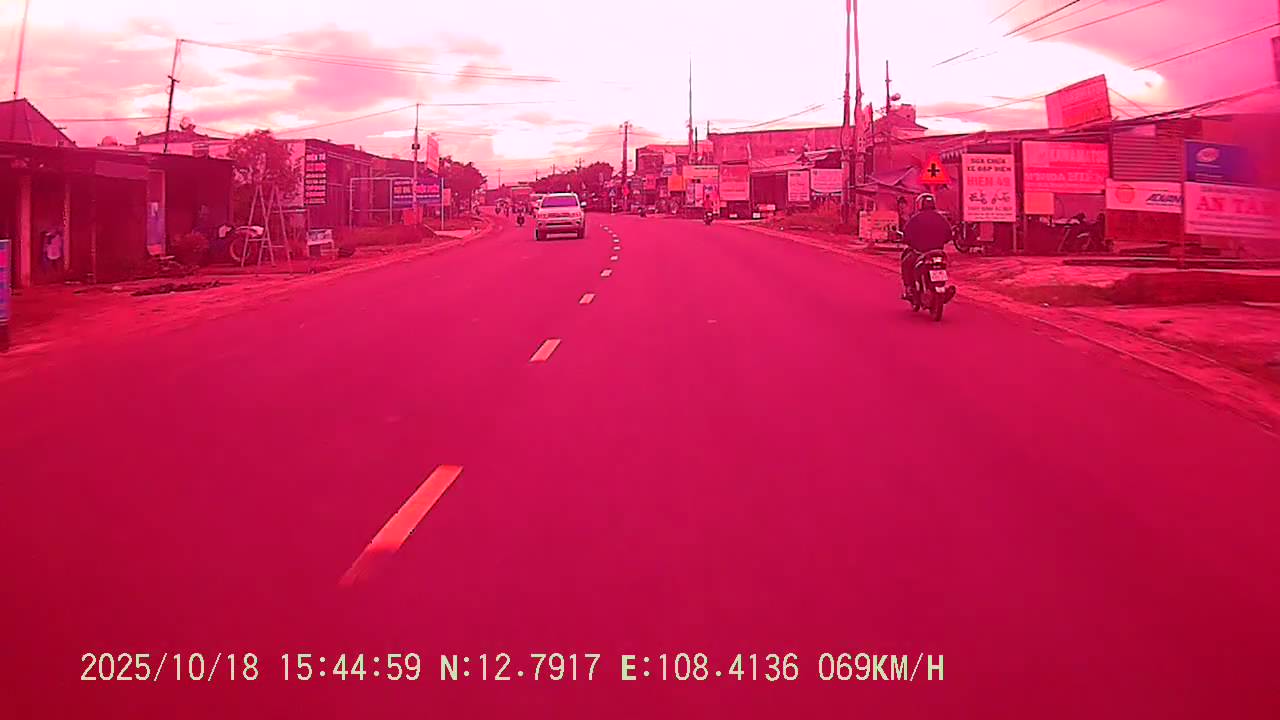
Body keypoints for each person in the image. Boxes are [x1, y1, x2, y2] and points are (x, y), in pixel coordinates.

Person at [900, 193, 951, 297]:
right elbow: (949, 235)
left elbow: (907, 236)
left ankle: (909, 288)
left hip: (920, 252)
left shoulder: (915, 219)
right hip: (938, 252)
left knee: (906, 263)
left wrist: (910, 242)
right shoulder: (941, 218)